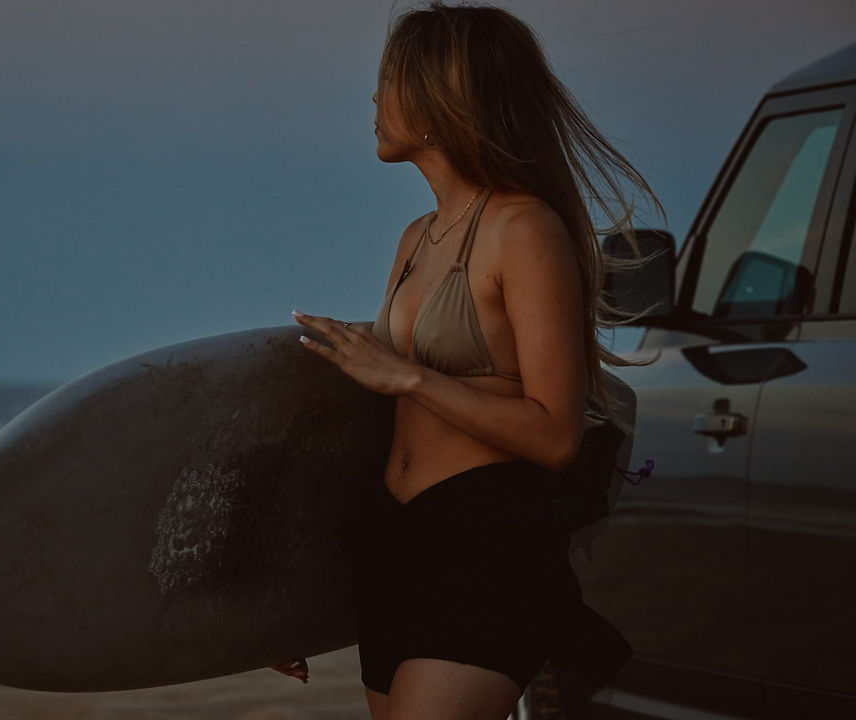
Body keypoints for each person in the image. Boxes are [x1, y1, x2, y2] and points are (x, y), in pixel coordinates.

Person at [279, 3, 660, 718]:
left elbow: (554, 434)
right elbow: (377, 432)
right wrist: (286, 603)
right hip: (395, 545)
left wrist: (412, 377)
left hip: (486, 547)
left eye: (389, 80)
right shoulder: (417, 236)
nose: (372, 98)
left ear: (437, 103)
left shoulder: (525, 230)